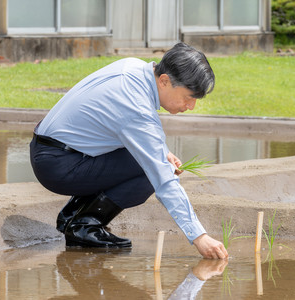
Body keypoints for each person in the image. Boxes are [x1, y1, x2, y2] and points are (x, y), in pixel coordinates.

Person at [30, 42, 228, 259]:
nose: (191, 106)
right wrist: (199, 237)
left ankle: (71, 215)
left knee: (154, 159)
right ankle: (84, 226)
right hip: (58, 164)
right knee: (151, 170)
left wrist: (163, 151)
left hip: (54, 150)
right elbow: (163, 179)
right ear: (164, 81)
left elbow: (133, 126)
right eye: (188, 97)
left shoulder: (134, 68)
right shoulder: (136, 106)